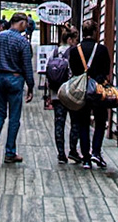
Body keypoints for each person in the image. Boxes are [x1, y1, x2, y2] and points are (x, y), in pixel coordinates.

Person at [0, 12, 36, 164]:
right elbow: (27, 66)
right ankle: (10, 152)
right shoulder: (23, 42)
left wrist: (0, 61)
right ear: (22, 23)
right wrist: (30, 86)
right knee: (14, 117)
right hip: (15, 78)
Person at [67, 26, 113, 168]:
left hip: (81, 90)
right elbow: (106, 70)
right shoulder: (102, 49)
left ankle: (86, 158)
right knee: (100, 121)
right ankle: (96, 152)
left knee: (83, 123)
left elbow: (74, 70)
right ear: (94, 32)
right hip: (98, 90)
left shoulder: (75, 50)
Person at [47, 25, 79, 163]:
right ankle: (73, 150)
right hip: (71, 93)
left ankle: (61, 153)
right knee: (75, 122)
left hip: (56, 93)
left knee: (59, 123)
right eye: (75, 39)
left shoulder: (54, 52)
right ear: (71, 39)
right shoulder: (74, 52)